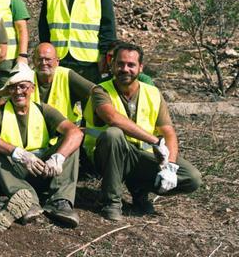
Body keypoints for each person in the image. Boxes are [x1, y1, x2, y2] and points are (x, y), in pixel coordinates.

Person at [82, 43, 201, 221]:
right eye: (120, 64)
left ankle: (139, 188)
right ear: (112, 65)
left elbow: (168, 132)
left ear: (140, 68)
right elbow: (113, 118)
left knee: (191, 178)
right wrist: (155, 141)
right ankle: (111, 202)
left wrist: (170, 166)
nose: (125, 69)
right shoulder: (101, 90)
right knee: (113, 134)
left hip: (139, 156)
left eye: (131, 65)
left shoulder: (152, 93)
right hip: (104, 157)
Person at [0, 65, 84, 230]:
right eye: (13, 87)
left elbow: (75, 132)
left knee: (71, 144)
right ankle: (27, 201)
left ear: (32, 88)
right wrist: (17, 152)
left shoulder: (43, 109)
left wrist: (58, 157)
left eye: (23, 86)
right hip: (16, 172)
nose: (18, 91)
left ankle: (59, 201)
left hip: (44, 169)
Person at [30, 43, 98, 124]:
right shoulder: (27, 78)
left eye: (48, 59)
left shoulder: (66, 75)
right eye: (40, 59)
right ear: (34, 61)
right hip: (37, 131)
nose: (44, 63)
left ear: (57, 61)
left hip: (68, 131)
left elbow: (96, 91)